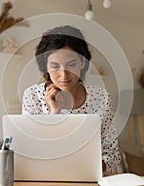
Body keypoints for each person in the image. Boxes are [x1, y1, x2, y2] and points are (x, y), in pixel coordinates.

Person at [21, 25, 122, 175]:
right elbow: (31, 153)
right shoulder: (33, 96)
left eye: (71, 64)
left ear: (82, 62)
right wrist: (54, 113)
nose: (63, 75)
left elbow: (112, 156)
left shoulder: (102, 99)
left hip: (89, 178)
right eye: (55, 66)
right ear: (45, 67)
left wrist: (85, 167)